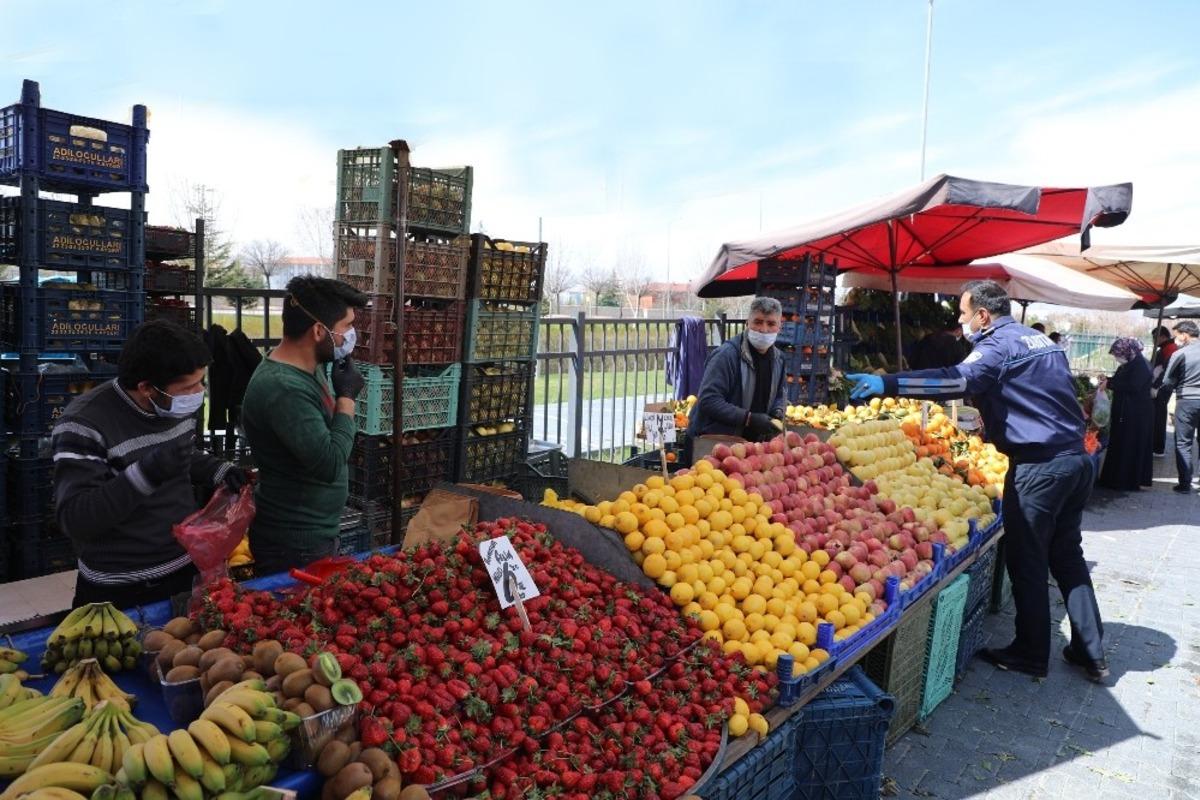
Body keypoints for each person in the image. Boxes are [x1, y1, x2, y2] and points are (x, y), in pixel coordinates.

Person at [846, 280, 1108, 682]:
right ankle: (1091, 651)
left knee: (1029, 558)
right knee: (1067, 554)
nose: (961, 321)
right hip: (1076, 460)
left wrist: (889, 383)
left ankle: (1031, 652)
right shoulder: (1041, 341)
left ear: (983, 315)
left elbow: (957, 380)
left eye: (964, 314)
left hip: (1039, 468)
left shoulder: (997, 346)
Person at [51, 320, 249, 608]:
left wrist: (219, 469)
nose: (199, 392)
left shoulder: (175, 404)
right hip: (120, 588)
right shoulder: (83, 425)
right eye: (190, 386)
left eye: (202, 382)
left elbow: (182, 454)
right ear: (146, 388)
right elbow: (76, 518)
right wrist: (146, 473)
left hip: (183, 569)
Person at [241, 275, 368, 574]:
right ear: (318, 331)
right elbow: (329, 463)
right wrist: (346, 398)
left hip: (314, 533)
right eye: (347, 327)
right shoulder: (284, 389)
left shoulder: (310, 367)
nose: (351, 335)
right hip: (295, 544)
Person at [685, 296, 787, 458]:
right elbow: (709, 400)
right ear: (747, 323)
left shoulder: (778, 359)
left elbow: (780, 395)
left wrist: (778, 411)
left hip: (751, 449)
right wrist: (749, 419)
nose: (764, 329)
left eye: (771, 323)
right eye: (758, 322)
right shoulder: (726, 355)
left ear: (779, 327)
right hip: (715, 445)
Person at [1096, 338, 1153, 491]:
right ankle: (1113, 479)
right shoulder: (1128, 364)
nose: (1116, 358)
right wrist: (1107, 380)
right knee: (1119, 445)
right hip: (1124, 412)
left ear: (1127, 352)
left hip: (1136, 415)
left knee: (1129, 446)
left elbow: (1133, 386)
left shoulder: (1141, 365)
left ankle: (1125, 481)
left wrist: (1110, 384)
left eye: (1117, 354)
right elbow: (1120, 380)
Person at [1158, 320, 1200, 493]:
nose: (1176, 340)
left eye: (1177, 336)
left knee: (1183, 443)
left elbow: (1167, 381)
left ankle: (1185, 484)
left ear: (1185, 334)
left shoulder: (1180, 353)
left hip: (1187, 402)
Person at [1150, 325, 1178, 457]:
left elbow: (1166, 370)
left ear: (1162, 337)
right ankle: (1156, 447)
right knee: (1157, 416)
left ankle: (1157, 448)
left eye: (1155, 338)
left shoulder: (1170, 349)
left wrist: (1155, 386)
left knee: (1158, 417)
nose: (1154, 341)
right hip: (1161, 387)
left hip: (1162, 388)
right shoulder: (1166, 348)